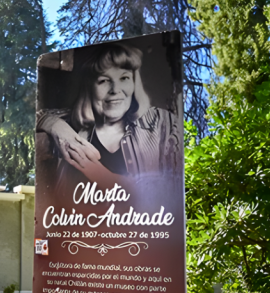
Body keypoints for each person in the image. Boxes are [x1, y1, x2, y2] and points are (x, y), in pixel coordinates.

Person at [37, 44, 181, 189]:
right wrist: (59, 128)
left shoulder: (162, 122)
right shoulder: (72, 121)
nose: (115, 90)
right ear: (89, 87)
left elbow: (172, 188)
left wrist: (100, 174)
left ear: (134, 83)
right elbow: (39, 115)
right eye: (104, 80)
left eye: (124, 78)